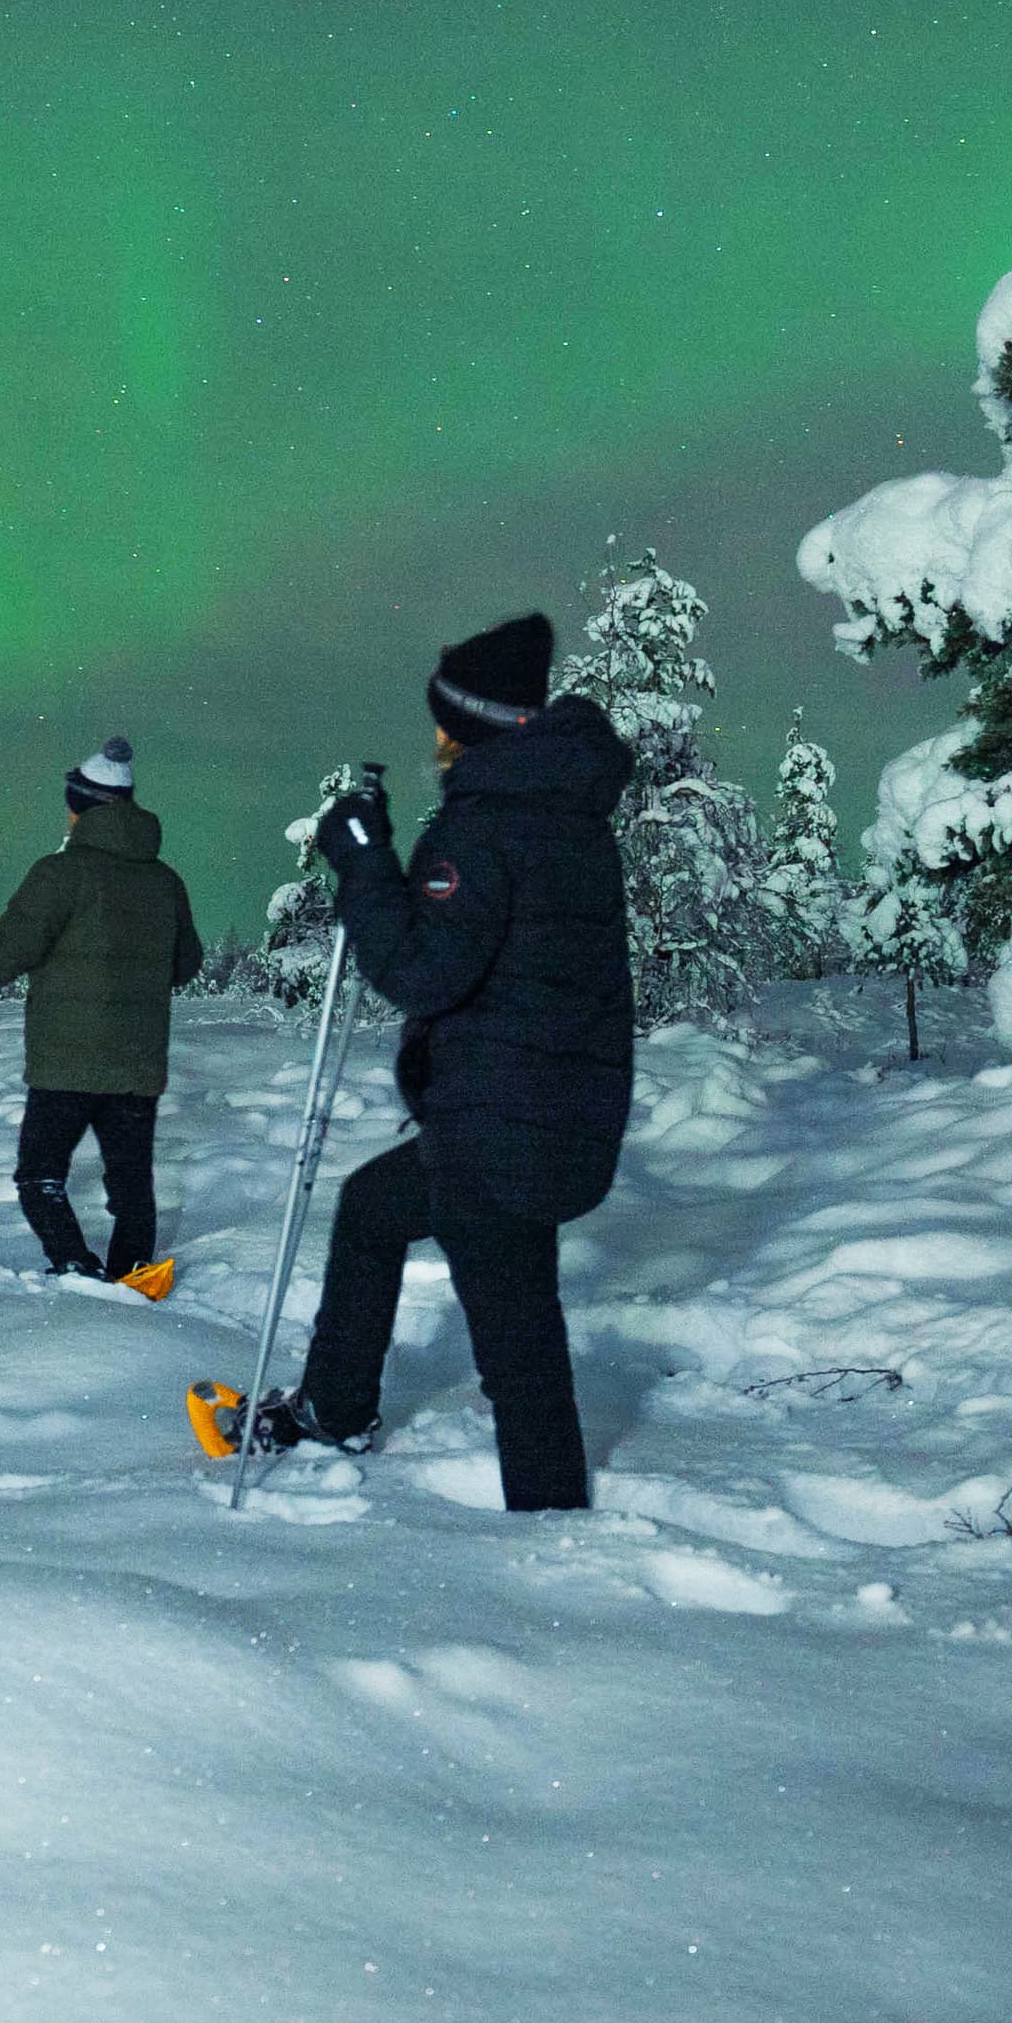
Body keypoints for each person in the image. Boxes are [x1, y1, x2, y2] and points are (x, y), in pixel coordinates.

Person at [242, 614, 634, 1510]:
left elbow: (421, 971)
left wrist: (364, 864)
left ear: (472, 725)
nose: (434, 738)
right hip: (549, 1110)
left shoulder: (485, 826)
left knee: (521, 1354)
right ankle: (334, 1409)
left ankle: (554, 1533)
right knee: (374, 1207)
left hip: (500, 1130)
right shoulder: (566, 813)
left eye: (443, 721)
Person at [0, 738, 205, 1286]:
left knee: (40, 1176)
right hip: (136, 1069)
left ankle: (77, 1270)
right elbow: (185, 966)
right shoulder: (165, 881)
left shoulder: (60, 874)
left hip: (66, 1064)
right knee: (131, 1187)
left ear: (80, 807)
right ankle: (134, 1285)